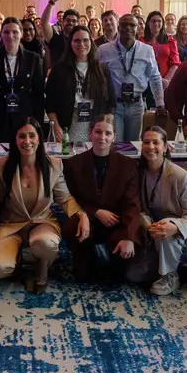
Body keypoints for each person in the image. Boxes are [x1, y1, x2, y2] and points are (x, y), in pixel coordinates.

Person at [0, 120, 86, 293]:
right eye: (22, 136)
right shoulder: (4, 164)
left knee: (45, 244)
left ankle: (42, 264)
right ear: (15, 140)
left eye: (32, 135)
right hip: (12, 225)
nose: (27, 141)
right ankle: (16, 260)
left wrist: (82, 215)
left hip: (43, 223)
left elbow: (64, 198)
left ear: (39, 138)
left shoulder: (54, 164)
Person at [62, 116, 143, 283]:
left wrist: (128, 237)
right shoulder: (73, 164)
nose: (102, 137)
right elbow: (70, 199)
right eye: (98, 132)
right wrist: (95, 212)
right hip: (86, 219)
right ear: (90, 133)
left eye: (108, 133)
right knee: (83, 274)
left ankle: (111, 254)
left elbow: (131, 204)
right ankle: (85, 258)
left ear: (114, 136)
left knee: (123, 274)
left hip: (115, 221)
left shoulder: (128, 165)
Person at [137, 126, 187, 296]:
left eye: (156, 142)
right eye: (146, 142)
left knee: (164, 225)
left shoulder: (182, 177)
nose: (150, 147)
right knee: (133, 274)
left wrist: (175, 227)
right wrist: (147, 224)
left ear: (166, 147)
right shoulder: (138, 173)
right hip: (149, 228)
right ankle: (165, 265)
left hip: (177, 230)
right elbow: (136, 207)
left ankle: (170, 275)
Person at [98, 14, 166, 141]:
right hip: (115, 105)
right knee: (116, 143)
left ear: (138, 28)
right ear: (118, 27)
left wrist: (160, 104)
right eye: (124, 25)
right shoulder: (104, 50)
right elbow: (96, 77)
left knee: (134, 144)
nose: (128, 28)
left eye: (132, 25)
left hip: (136, 105)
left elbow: (155, 78)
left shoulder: (147, 50)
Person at [0, 17, 45, 142]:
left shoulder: (33, 59)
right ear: (1, 34)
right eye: (6, 32)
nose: (10, 36)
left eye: (15, 32)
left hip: (25, 120)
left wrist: (37, 125)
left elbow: (38, 95)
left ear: (21, 34)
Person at [45, 25, 116, 143]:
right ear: (70, 43)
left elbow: (111, 102)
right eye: (76, 40)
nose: (81, 44)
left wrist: (108, 125)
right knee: (72, 159)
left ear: (91, 42)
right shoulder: (59, 69)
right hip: (69, 122)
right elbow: (50, 103)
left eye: (85, 40)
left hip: (96, 123)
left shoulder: (102, 69)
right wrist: (55, 126)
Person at [41, 0, 80, 68]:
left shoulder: (81, 40)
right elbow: (44, 23)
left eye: (74, 21)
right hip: (58, 78)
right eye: (68, 20)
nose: (71, 23)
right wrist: (51, 2)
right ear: (63, 21)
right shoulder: (55, 37)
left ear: (78, 23)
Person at [144, 10, 180, 87]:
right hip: (144, 81)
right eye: (153, 21)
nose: (156, 23)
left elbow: (175, 64)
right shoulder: (140, 41)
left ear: (163, 23)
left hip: (165, 83)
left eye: (159, 21)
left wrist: (166, 80)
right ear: (148, 23)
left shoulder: (170, 41)